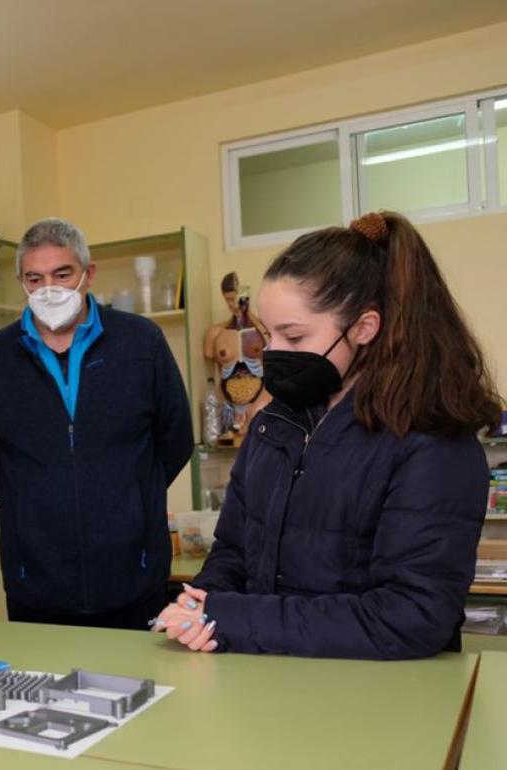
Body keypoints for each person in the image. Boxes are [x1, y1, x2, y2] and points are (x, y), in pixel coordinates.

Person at [155, 211, 501, 659]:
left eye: (294, 337)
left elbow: (411, 616)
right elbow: (234, 551)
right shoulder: (275, 424)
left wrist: (234, 618)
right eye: (269, 333)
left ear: (364, 328)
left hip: (376, 699)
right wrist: (202, 601)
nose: (274, 352)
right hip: (267, 680)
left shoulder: (431, 441)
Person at [0, 217, 194, 629]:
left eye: (62, 274)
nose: (48, 288)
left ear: (88, 275)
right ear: (22, 282)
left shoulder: (142, 343)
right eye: (34, 278)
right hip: (35, 585)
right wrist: (30, 503)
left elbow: (175, 441)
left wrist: (132, 500)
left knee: (147, 691)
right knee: (43, 693)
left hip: (134, 580)